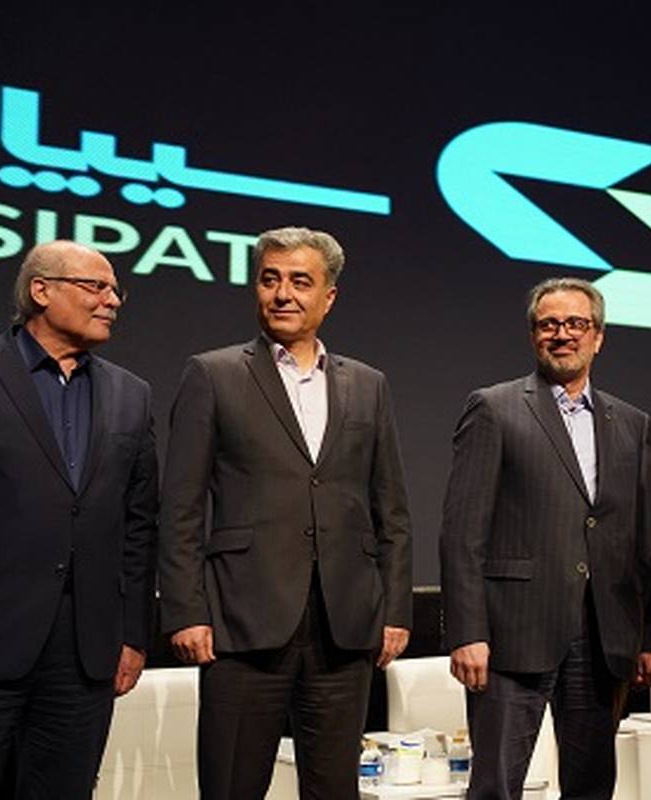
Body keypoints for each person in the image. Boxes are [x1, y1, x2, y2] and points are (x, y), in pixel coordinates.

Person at [158, 226, 412, 799]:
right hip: (241, 621)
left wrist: (395, 609)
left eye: (300, 281)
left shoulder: (368, 384)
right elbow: (181, 507)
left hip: (344, 624)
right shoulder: (213, 374)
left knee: (334, 789)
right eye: (270, 279)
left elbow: (391, 510)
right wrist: (185, 612)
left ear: (329, 296)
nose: (282, 294)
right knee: (232, 785)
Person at [440, 277, 651, 800]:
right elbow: (461, 533)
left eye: (576, 324)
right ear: (533, 335)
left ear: (598, 337)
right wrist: (466, 632)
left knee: (592, 788)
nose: (562, 334)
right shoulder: (494, 408)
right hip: (511, 633)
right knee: (496, 787)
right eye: (549, 324)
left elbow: (646, 540)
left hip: (604, 636)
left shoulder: (632, 423)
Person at [0, 241, 157, 797]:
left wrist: (133, 634)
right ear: (41, 290)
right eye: (96, 287)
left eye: (115, 290)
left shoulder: (131, 395)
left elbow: (140, 525)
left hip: (84, 652)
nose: (112, 300)